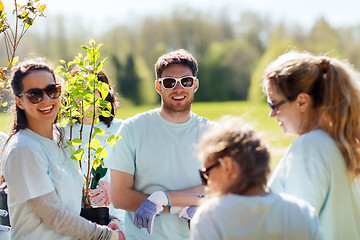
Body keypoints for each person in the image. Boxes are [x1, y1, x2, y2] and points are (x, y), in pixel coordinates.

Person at [1, 58, 125, 239]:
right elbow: (55, 217)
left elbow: (73, 206)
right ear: (19, 101)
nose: (46, 100)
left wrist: (112, 219)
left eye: (52, 91)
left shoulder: (61, 140)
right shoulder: (24, 149)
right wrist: (108, 235)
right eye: (34, 95)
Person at [107, 49, 214, 240]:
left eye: (186, 81)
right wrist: (178, 207)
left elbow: (219, 189)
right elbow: (120, 196)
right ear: (158, 86)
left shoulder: (213, 133)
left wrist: (162, 198)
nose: (178, 88)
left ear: (195, 85)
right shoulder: (132, 129)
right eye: (169, 82)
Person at [263, 51, 360, 240]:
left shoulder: (309, 148)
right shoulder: (342, 144)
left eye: (274, 105)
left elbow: (295, 230)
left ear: (302, 101)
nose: (272, 115)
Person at [190, 116, 323, 240]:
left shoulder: (210, 218)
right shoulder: (301, 213)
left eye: (207, 172)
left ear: (228, 166)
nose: (207, 185)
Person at [63, 68, 125, 230]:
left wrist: (116, 192)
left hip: (118, 223)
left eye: (93, 88)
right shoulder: (60, 133)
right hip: (73, 224)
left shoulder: (123, 130)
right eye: (79, 89)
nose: (86, 95)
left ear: (105, 93)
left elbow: (144, 177)